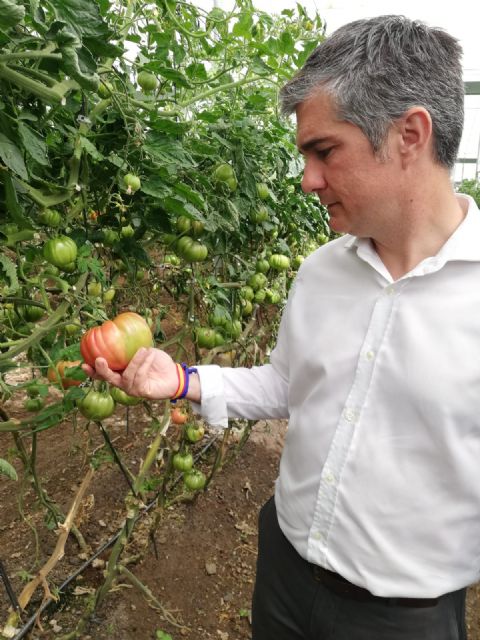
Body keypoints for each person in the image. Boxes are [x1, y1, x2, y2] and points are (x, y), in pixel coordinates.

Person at [83, 15, 480, 640]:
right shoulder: (323, 271)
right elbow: (288, 384)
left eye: (325, 151)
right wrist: (181, 379)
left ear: (410, 134)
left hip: (403, 618)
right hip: (286, 571)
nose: (308, 180)